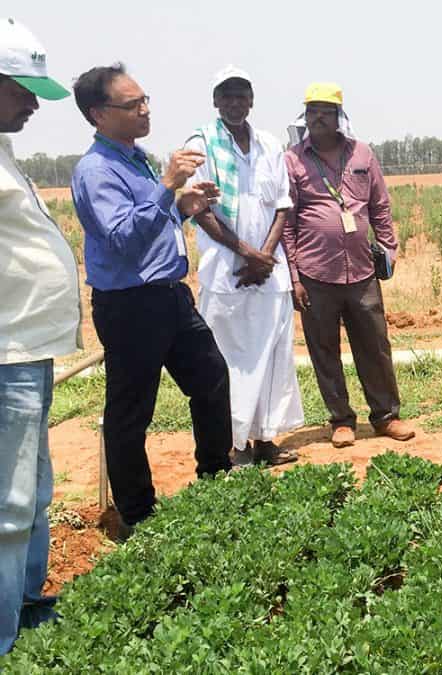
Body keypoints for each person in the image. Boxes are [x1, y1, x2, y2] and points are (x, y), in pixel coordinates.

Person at [70, 64, 232, 533]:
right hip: (130, 305)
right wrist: (167, 187)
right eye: (132, 104)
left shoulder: (135, 157)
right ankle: (138, 513)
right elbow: (121, 237)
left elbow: (149, 224)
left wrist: (182, 205)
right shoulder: (95, 170)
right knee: (131, 409)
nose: (144, 111)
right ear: (99, 114)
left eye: (146, 100)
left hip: (170, 296)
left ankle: (217, 479)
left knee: (210, 377)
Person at [0, 18, 77, 654]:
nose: (32, 102)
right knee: (7, 502)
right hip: (5, 358)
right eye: (22, 88)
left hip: (27, 352)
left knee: (32, 493)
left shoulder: (5, 151)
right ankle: (4, 637)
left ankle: (25, 605)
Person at [182, 66, 303, 465]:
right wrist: (247, 254)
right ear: (216, 101)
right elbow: (200, 211)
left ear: (252, 100)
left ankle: (267, 441)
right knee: (228, 361)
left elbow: (282, 205)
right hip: (225, 271)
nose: (235, 102)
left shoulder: (269, 144)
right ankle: (234, 446)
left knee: (272, 357)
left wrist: (265, 256)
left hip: (270, 272)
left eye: (242, 94)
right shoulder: (200, 144)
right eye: (227, 95)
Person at [282, 83, 414, 446]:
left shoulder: (362, 155)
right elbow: (288, 222)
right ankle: (341, 420)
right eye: (312, 110)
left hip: (361, 272)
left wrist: (388, 248)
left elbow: (380, 207)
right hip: (314, 273)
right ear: (304, 116)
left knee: (374, 345)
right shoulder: (293, 160)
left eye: (326, 110)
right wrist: (294, 276)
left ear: (340, 116)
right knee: (323, 349)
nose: (319, 117)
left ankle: (387, 416)